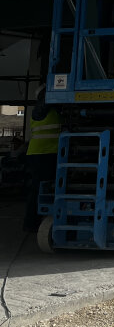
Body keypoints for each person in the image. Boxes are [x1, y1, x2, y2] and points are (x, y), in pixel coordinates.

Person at [24, 86, 61, 232]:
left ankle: (33, 221)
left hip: (41, 153)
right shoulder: (42, 108)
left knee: (38, 188)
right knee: (39, 188)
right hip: (44, 154)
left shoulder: (44, 109)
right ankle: (32, 222)